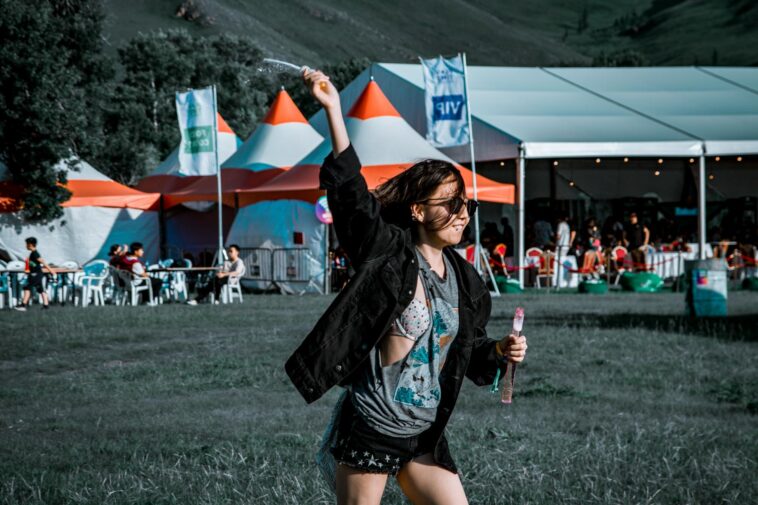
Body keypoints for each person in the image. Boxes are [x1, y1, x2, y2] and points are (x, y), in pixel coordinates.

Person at [286, 69, 528, 505]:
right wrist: (334, 112)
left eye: (466, 204)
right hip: (374, 425)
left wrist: (498, 352)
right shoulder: (388, 256)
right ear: (417, 210)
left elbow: (468, 353)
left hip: (423, 434)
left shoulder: (466, 281)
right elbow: (353, 199)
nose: (462, 214)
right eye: (450, 204)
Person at [14, 237, 55, 311]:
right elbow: (32, 264)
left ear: (30, 245)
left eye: (26, 244)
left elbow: (42, 262)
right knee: (41, 289)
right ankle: (46, 306)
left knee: (27, 287)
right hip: (37, 274)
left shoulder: (35, 253)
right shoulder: (33, 253)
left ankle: (23, 305)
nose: (26, 246)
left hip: (35, 274)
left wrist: (50, 270)